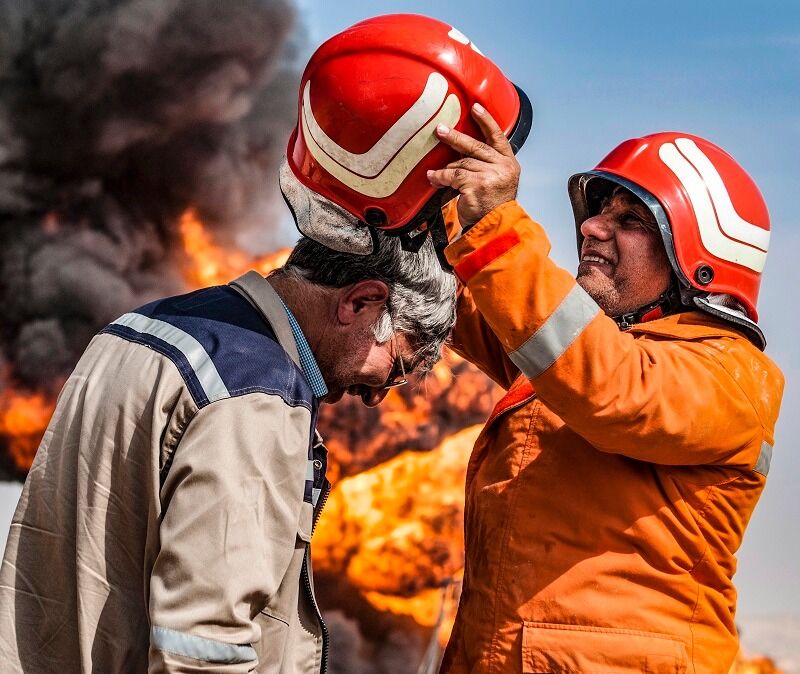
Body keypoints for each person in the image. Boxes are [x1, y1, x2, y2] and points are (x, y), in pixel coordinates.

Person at [0, 205, 455, 671]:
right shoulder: (258, 395)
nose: (378, 397)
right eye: (396, 367)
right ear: (360, 301)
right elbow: (203, 646)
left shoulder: (139, 327)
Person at [425, 112, 784, 672]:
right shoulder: (579, 350)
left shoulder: (731, 374)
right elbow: (483, 302)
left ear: (698, 262)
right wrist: (432, 205)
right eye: (598, 212)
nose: (592, 228)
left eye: (631, 220)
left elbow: (611, 390)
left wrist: (497, 227)